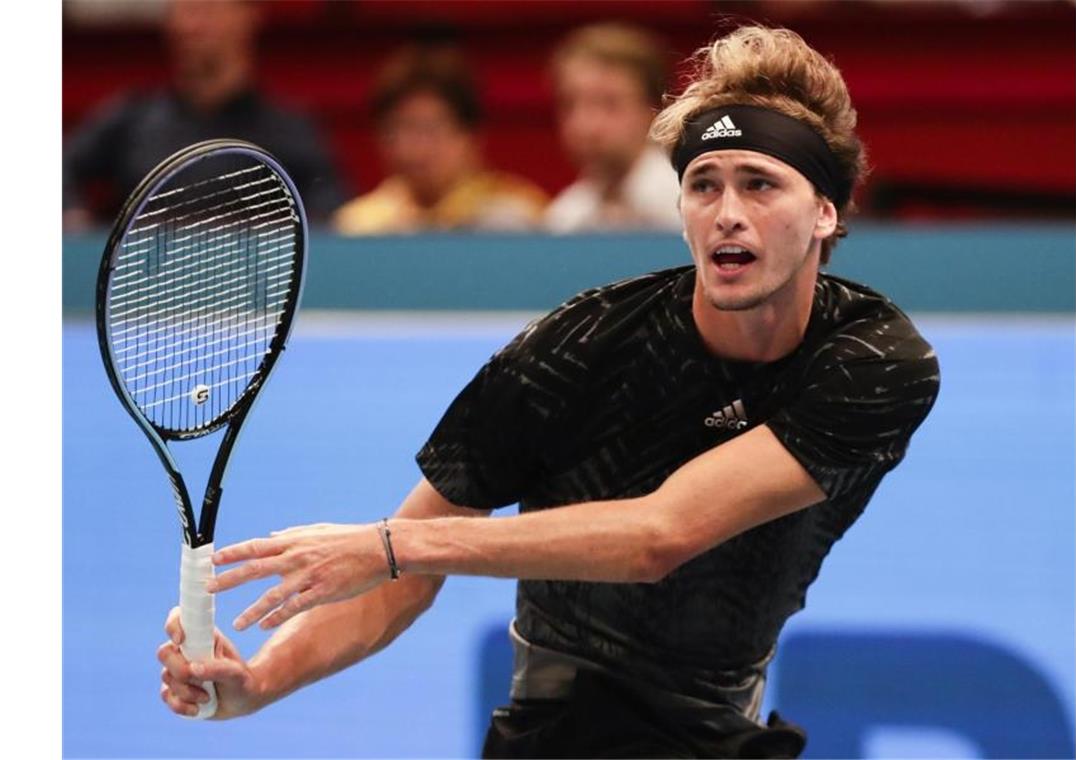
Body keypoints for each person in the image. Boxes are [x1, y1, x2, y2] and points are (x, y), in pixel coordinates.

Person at [157, 24, 940, 758]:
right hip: (560, 733)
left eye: (760, 185)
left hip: (723, 731)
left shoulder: (871, 360)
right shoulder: (577, 350)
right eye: (704, 185)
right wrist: (257, 682)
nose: (728, 214)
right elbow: (398, 586)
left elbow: (657, 538)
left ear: (826, 213)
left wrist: (387, 545)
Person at [63, 0, 346, 230]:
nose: (190, 26)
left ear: (249, 16)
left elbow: (331, 211)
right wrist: (71, 215)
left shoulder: (292, 128)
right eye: (182, 11)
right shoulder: (130, 118)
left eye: (207, 10)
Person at [332, 49, 548, 234]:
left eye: (430, 129)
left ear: (470, 135)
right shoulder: (358, 225)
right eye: (401, 129)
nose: (416, 149)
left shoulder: (518, 217)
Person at [545, 23, 682, 232]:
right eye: (569, 104)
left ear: (655, 111)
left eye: (609, 103)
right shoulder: (564, 217)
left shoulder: (689, 204)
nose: (585, 125)